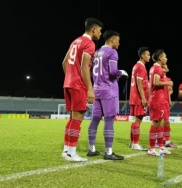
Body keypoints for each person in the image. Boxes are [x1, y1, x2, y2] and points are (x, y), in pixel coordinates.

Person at [61, 17, 103, 162]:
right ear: (93, 29)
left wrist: (70, 77)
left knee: (73, 118)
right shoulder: (89, 44)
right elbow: (84, 67)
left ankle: (66, 151)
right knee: (78, 118)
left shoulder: (75, 41)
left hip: (68, 83)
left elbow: (64, 62)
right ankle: (72, 153)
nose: (100, 33)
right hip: (78, 85)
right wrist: (90, 89)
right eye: (100, 30)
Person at [87, 30, 128, 160]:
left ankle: (91, 148)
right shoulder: (112, 52)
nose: (119, 43)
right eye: (118, 41)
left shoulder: (97, 52)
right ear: (112, 40)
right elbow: (113, 71)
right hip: (108, 90)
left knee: (95, 119)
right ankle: (108, 152)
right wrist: (122, 72)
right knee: (109, 119)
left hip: (97, 89)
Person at [147, 49, 173, 156]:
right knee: (156, 124)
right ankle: (151, 149)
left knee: (160, 124)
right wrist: (169, 83)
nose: (166, 58)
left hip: (159, 99)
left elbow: (166, 69)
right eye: (165, 56)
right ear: (160, 58)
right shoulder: (157, 68)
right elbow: (156, 83)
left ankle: (161, 147)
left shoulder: (156, 68)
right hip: (157, 99)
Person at [129, 47, 151, 150]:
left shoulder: (136, 66)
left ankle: (132, 142)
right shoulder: (141, 67)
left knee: (135, 121)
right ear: (142, 55)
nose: (149, 57)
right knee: (138, 120)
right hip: (138, 97)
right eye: (148, 55)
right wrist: (143, 97)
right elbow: (139, 82)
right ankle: (135, 143)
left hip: (134, 96)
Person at [161, 64, 177, 148]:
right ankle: (158, 140)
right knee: (160, 122)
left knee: (167, 122)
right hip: (159, 102)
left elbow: (170, 91)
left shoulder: (168, 79)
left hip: (166, 102)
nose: (166, 68)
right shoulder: (157, 77)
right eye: (164, 67)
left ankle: (167, 141)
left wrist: (169, 100)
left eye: (166, 66)